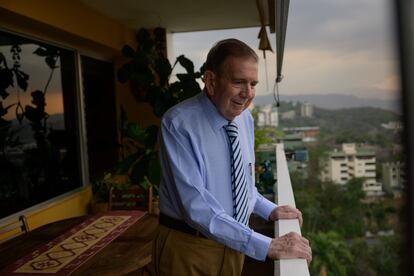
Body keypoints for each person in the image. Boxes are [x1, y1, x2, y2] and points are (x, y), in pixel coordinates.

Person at [154, 38, 312, 275]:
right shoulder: (178, 124)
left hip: (234, 245)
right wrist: (267, 244)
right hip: (189, 248)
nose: (247, 93)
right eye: (239, 82)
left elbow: (242, 183)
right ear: (211, 80)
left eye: (253, 83)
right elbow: (196, 206)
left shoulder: (244, 120)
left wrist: (269, 209)